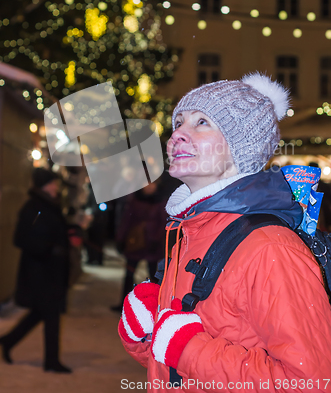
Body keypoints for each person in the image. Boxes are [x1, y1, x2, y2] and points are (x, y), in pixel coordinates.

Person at [118, 73, 331, 392]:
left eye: (201, 122)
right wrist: (147, 334)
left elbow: (311, 382)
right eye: (178, 123)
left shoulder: (271, 248)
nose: (177, 135)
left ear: (240, 146)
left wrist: (188, 347)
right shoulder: (189, 230)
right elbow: (182, 373)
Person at [0, 168, 71, 373]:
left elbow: (54, 231)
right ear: (44, 185)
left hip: (51, 269)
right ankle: (51, 361)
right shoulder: (34, 207)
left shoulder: (50, 205)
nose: (56, 186)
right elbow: (21, 238)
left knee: (42, 313)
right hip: (41, 271)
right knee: (51, 313)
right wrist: (51, 249)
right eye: (53, 182)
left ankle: (8, 340)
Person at [111, 180, 167, 312]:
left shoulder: (160, 202)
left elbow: (163, 223)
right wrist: (121, 239)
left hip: (152, 244)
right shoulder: (135, 201)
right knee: (129, 274)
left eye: (152, 184)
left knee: (154, 276)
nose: (148, 187)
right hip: (135, 242)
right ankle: (124, 304)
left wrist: (157, 240)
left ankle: (155, 305)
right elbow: (126, 220)